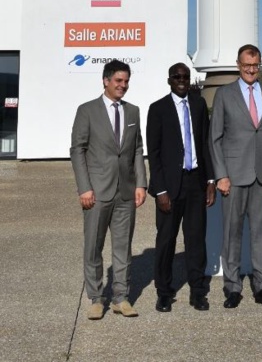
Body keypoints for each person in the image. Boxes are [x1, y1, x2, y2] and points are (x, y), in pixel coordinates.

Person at [70, 59, 147, 320]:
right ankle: (95, 298)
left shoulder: (133, 111)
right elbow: (77, 150)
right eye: (118, 81)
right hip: (96, 192)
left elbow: (137, 149)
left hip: (125, 192)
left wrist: (141, 183)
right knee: (94, 246)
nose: (123, 86)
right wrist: (84, 187)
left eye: (126, 81)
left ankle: (121, 298)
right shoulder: (87, 111)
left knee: (123, 248)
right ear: (106, 81)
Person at [210, 44, 262, 309]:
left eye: (255, 65)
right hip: (233, 175)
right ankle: (232, 288)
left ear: (260, 64)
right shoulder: (224, 94)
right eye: (246, 65)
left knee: (261, 234)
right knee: (232, 233)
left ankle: (261, 286)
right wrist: (221, 175)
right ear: (238, 65)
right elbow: (215, 137)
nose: (251, 70)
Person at [146, 63, 216, 312]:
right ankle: (164, 292)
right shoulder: (157, 109)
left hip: (196, 181)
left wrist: (210, 181)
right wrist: (160, 190)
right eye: (177, 77)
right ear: (169, 80)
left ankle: (198, 292)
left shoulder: (198, 105)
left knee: (196, 239)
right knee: (166, 240)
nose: (182, 80)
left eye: (185, 77)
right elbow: (153, 154)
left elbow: (205, 144)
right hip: (170, 187)